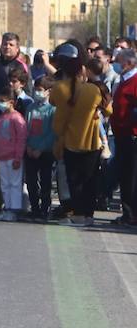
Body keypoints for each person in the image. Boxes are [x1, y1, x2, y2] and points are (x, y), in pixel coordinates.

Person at [51, 43, 109, 227]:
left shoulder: (60, 88)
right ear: (82, 70)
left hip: (70, 140)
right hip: (92, 141)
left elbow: (54, 103)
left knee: (73, 180)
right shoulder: (93, 90)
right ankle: (88, 215)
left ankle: (77, 214)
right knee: (89, 179)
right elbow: (109, 110)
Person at [0, 88, 28, 221]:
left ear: (11, 102)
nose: (0, 104)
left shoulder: (17, 118)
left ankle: (14, 210)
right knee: (4, 184)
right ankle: (7, 208)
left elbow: (21, 139)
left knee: (15, 184)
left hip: (13, 157)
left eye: (3, 101)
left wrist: (18, 157)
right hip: (1, 156)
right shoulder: (0, 119)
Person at [109, 46, 137, 226]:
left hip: (131, 136)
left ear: (127, 63)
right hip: (121, 135)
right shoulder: (124, 79)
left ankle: (132, 214)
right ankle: (128, 213)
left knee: (131, 177)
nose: (116, 65)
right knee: (125, 176)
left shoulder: (134, 81)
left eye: (118, 61)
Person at [24, 76, 58, 221]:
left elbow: (52, 132)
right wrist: (27, 146)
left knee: (45, 181)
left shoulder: (53, 110)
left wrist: (41, 148)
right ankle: (34, 207)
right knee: (31, 181)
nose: (37, 92)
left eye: (40, 90)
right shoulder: (31, 108)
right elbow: (26, 127)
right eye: (36, 89)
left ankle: (45, 207)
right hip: (30, 149)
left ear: (49, 91)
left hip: (46, 151)